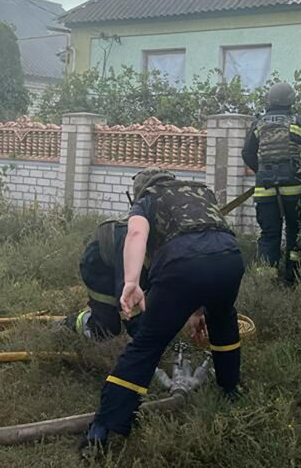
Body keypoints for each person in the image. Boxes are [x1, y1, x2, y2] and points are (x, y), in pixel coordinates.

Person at [79, 167, 245, 456]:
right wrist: (196, 310)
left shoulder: (148, 199)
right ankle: (232, 391)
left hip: (181, 267)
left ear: (140, 190)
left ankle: (102, 430)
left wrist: (131, 281)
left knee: (147, 346)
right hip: (230, 258)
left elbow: (137, 232)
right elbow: (204, 240)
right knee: (223, 321)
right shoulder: (200, 192)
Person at [241, 82, 301, 283]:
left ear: (269, 100)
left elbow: (247, 153)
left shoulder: (259, 124)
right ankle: (293, 280)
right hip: (295, 186)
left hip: (265, 187)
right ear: (291, 100)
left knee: (269, 234)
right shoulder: (298, 122)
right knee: (297, 231)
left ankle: (266, 283)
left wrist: (262, 172)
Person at [61, 218, 150, 340]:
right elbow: (126, 298)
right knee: (106, 328)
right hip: (98, 265)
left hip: (123, 263)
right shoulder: (138, 246)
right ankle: (68, 325)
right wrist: (145, 339)